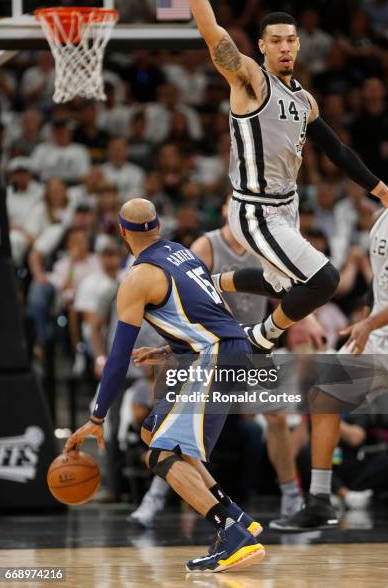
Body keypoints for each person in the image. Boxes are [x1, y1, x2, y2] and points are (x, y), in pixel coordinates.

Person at [181, 0, 388, 530]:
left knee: (293, 291)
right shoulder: (249, 78)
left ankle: (224, 284)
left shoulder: (303, 98)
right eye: (275, 39)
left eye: (291, 39)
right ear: (260, 46)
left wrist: (383, 191)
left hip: (288, 209)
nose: (284, 45)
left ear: (299, 45)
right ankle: (258, 340)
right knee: (326, 281)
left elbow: (336, 149)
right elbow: (212, 34)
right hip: (254, 208)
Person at [64, 198, 265, 573]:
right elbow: (212, 315)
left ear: (123, 233)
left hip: (213, 358)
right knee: (152, 430)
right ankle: (237, 516)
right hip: (230, 350)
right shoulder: (182, 254)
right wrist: (167, 349)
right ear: (156, 226)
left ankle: (231, 533)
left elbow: (118, 356)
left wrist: (96, 416)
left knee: (159, 455)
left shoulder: (137, 278)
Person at [129, 195, 308, 528]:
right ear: (227, 210)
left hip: (252, 347)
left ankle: (290, 496)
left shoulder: (264, 248)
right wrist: (170, 350)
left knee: (278, 416)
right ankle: (155, 497)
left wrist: (307, 321)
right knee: (170, 430)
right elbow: (187, 305)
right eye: (234, 207)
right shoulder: (205, 246)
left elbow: (293, 291)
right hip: (210, 348)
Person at [275, 161, 388, 532]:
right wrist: (367, 318)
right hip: (377, 337)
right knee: (323, 395)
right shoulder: (382, 219)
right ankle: (319, 500)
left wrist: (368, 322)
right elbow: (379, 284)